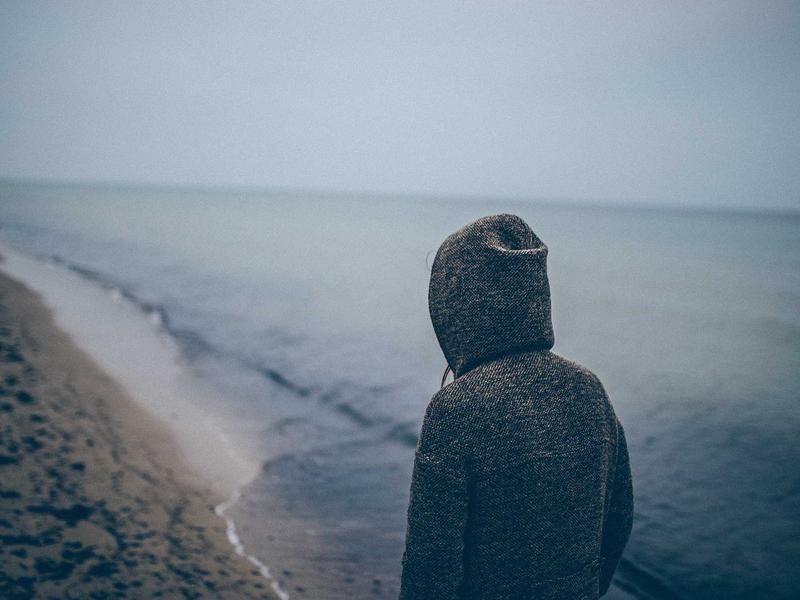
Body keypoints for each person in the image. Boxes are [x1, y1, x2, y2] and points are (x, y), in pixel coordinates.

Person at [399, 214, 633, 600]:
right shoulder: (589, 390)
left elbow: (430, 568)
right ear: (535, 293)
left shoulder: (456, 410)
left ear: (455, 306)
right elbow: (619, 519)